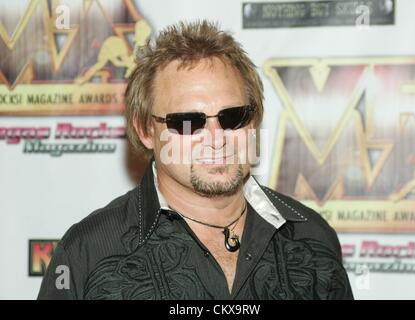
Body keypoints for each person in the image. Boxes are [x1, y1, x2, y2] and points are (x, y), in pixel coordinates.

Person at [38, 20, 353, 300]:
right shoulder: (88, 253)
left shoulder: (312, 237)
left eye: (233, 117)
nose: (217, 139)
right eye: (188, 122)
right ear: (145, 130)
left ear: (254, 120)